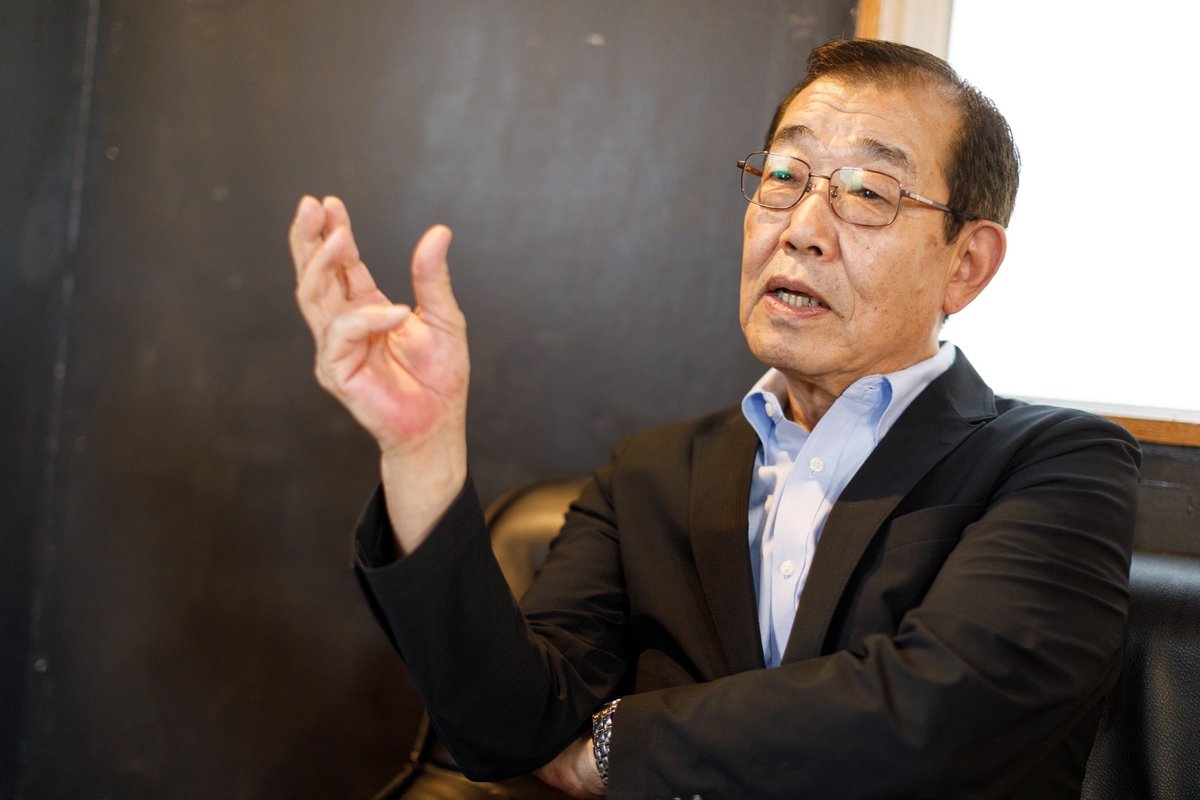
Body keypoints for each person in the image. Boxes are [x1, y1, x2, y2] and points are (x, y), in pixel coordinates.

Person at [290, 39, 1140, 800]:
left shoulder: (1057, 465)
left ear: (967, 265)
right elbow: (511, 726)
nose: (801, 230)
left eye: (867, 192)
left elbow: (938, 719)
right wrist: (422, 450)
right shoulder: (651, 475)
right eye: (783, 178)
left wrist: (619, 749)